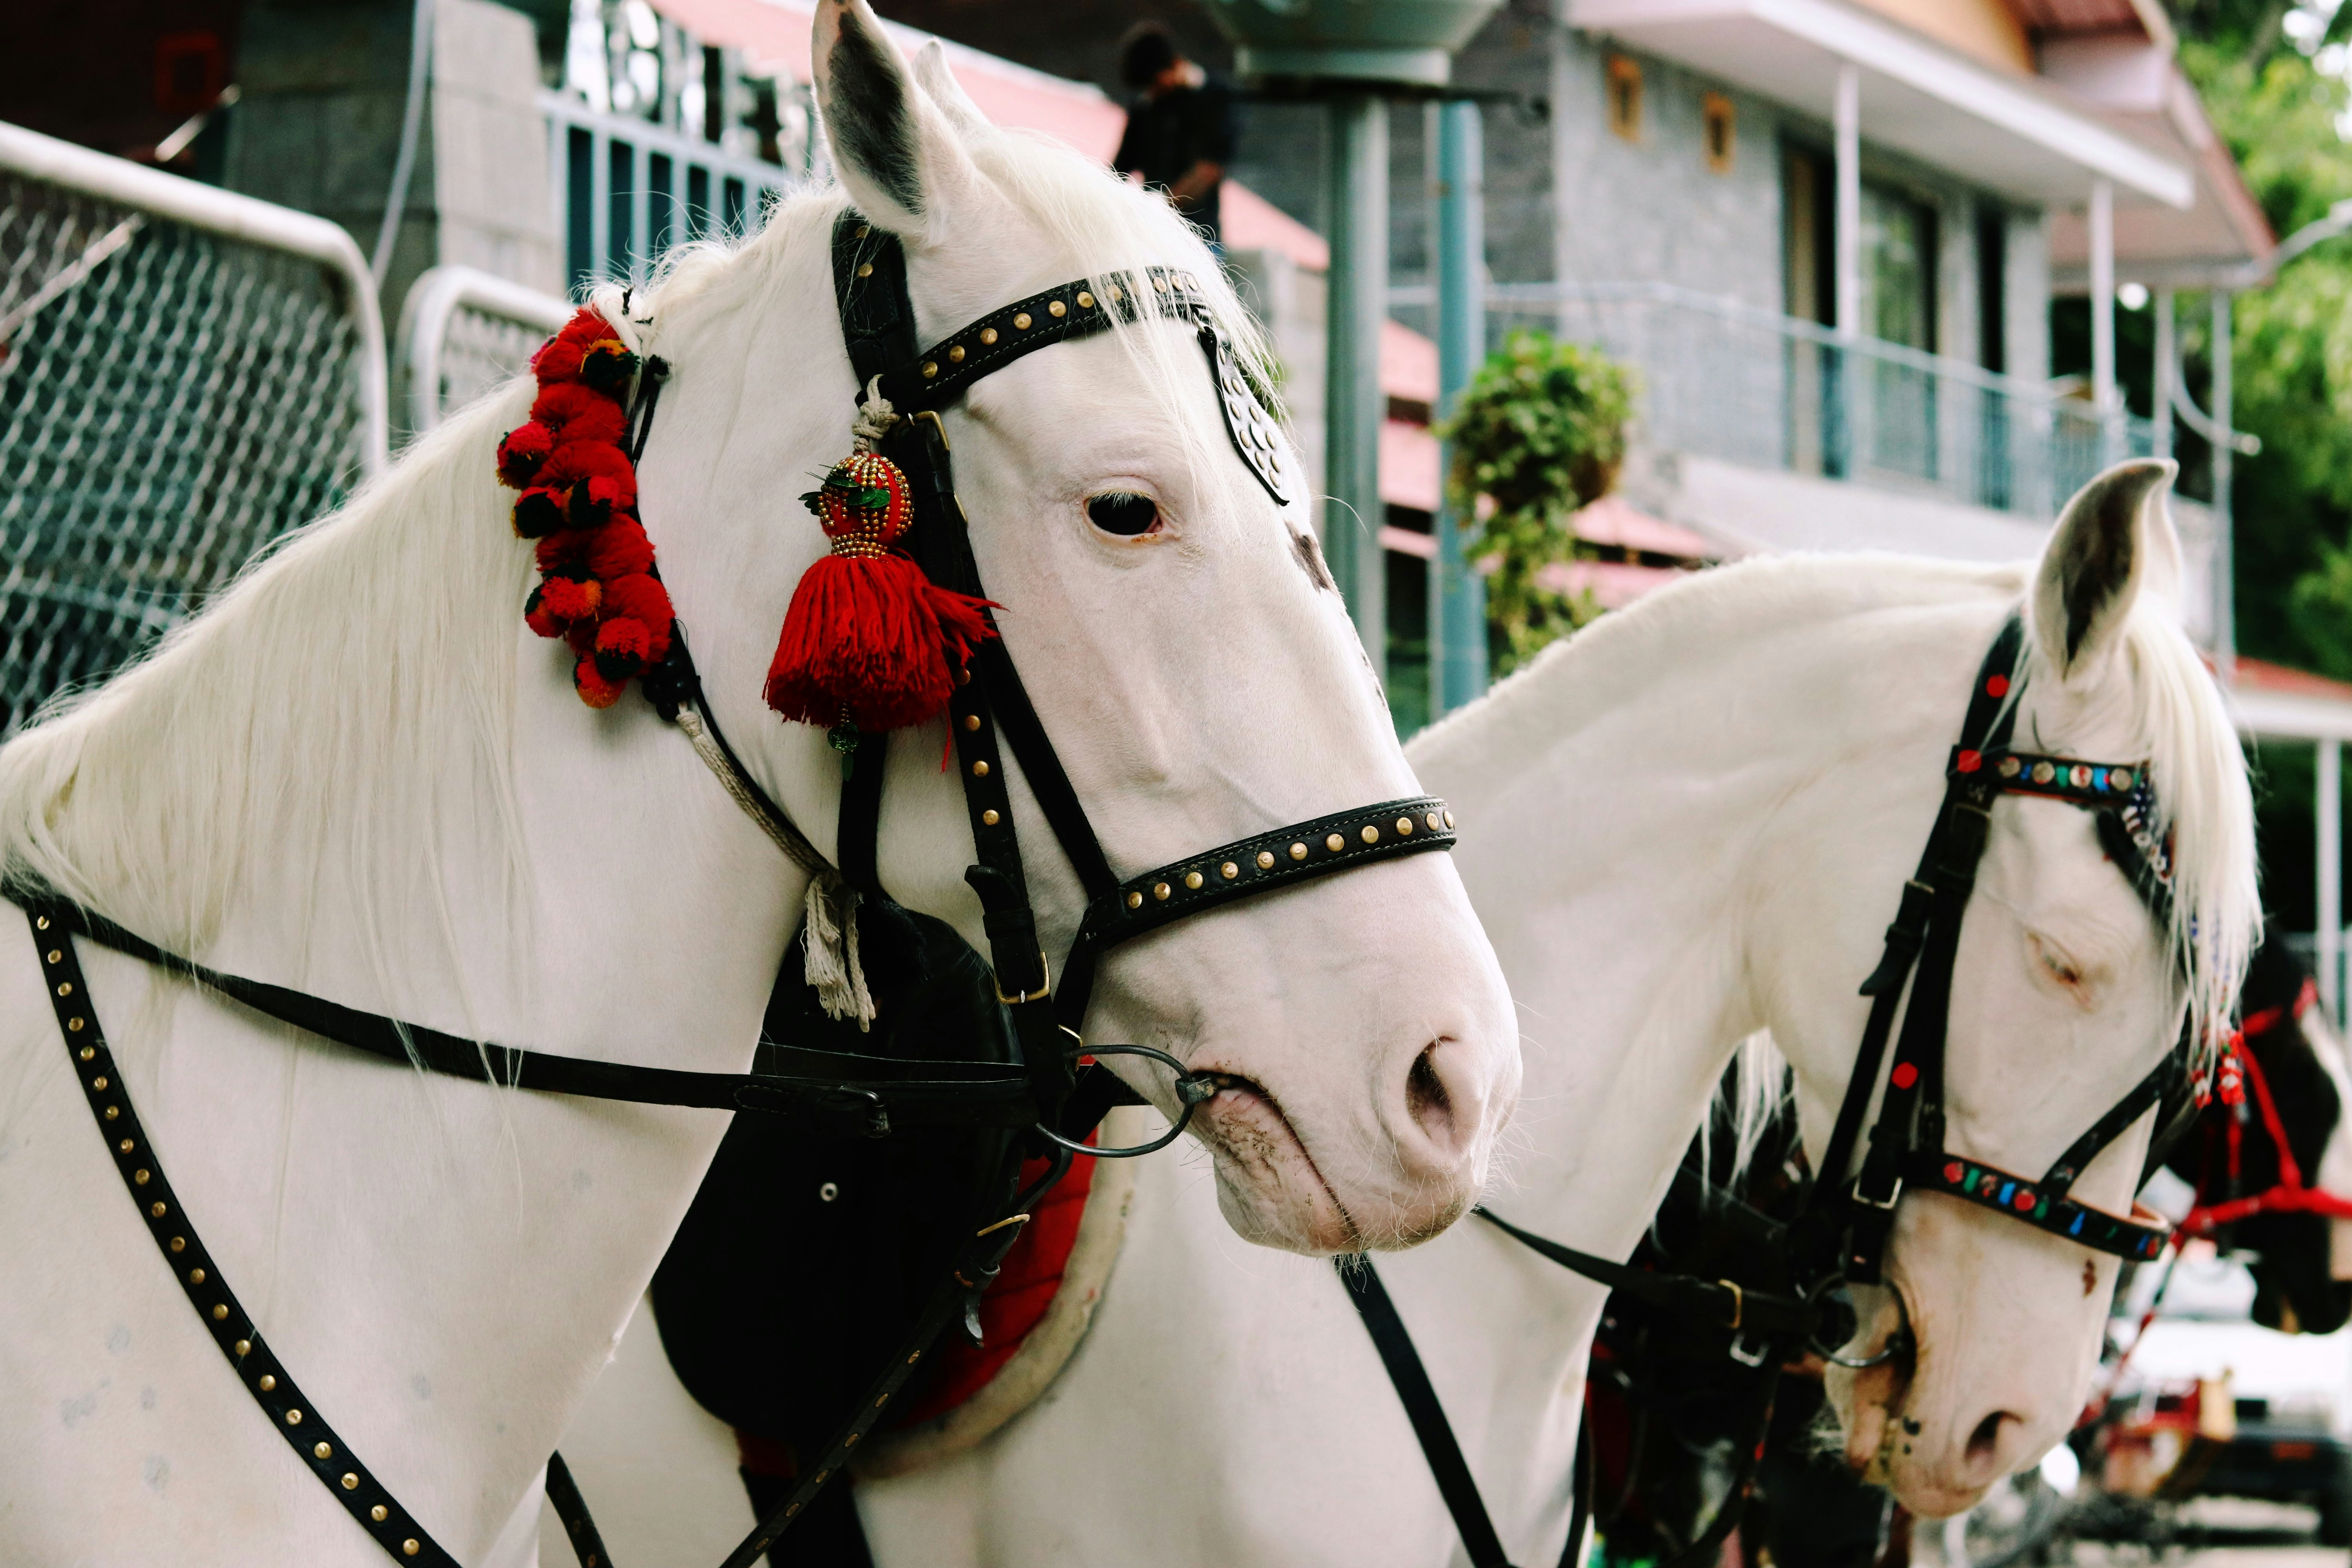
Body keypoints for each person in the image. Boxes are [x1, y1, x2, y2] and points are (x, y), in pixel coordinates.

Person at [1112, 24, 1238, 246]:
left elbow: (1209, 169)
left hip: (1200, 239)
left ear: (1175, 65)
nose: (1152, 92)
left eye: (1156, 84)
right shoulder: (1146, 108)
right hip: (1153, 236)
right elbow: (1120, 169)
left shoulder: (1214, 98)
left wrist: (1162, 203)